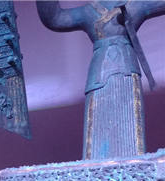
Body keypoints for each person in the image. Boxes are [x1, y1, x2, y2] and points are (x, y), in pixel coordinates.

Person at [37, 1, 165, 159]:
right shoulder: (89, 11)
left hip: (125, 69)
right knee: (98, 126)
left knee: (128, 125)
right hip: (99, 73)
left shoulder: (133, 6)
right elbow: (54, 18)